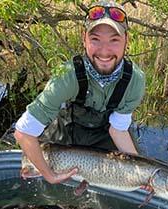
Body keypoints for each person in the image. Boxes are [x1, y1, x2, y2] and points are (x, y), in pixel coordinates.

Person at [14, 0, 145, 185]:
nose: (105, 51)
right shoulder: (67, 76)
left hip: (104, 134)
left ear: (126, 41)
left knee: (128, 182)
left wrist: (139, 173)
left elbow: (118, 130)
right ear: (84, 39)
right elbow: (24, 132)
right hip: (65, 133)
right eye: (95, 39)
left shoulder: (135, 81)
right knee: (42, 181)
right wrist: (49, 176)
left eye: (114, 40)